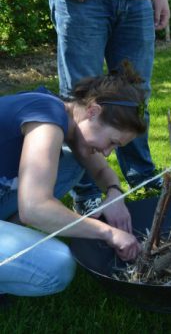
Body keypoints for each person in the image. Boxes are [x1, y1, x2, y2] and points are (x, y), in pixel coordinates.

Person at [0, 63, 146, 297]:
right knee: (56, 265)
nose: (108, 153)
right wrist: (108, 233)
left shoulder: (55, 110)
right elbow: (34, 209)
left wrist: (114, 193)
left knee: (75, 160)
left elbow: (101, 172)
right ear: (93, 111)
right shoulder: (46, 118)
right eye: (112, 142)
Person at [49, 0, 170, 215]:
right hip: (85, 1)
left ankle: (142, 176)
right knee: (79, 99)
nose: (106, 153)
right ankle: (87, 194)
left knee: (136, 98)